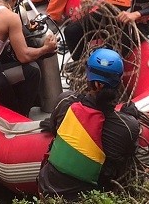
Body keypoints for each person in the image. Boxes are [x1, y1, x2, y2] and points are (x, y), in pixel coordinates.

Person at [38, 48, 141, 200]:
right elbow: (126, 155)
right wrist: (130, 116)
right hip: (89, 197)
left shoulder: (65, 101)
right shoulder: (128, 126)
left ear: (89, 77)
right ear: (118, 82)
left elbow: (55, 128)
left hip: (45, 188)